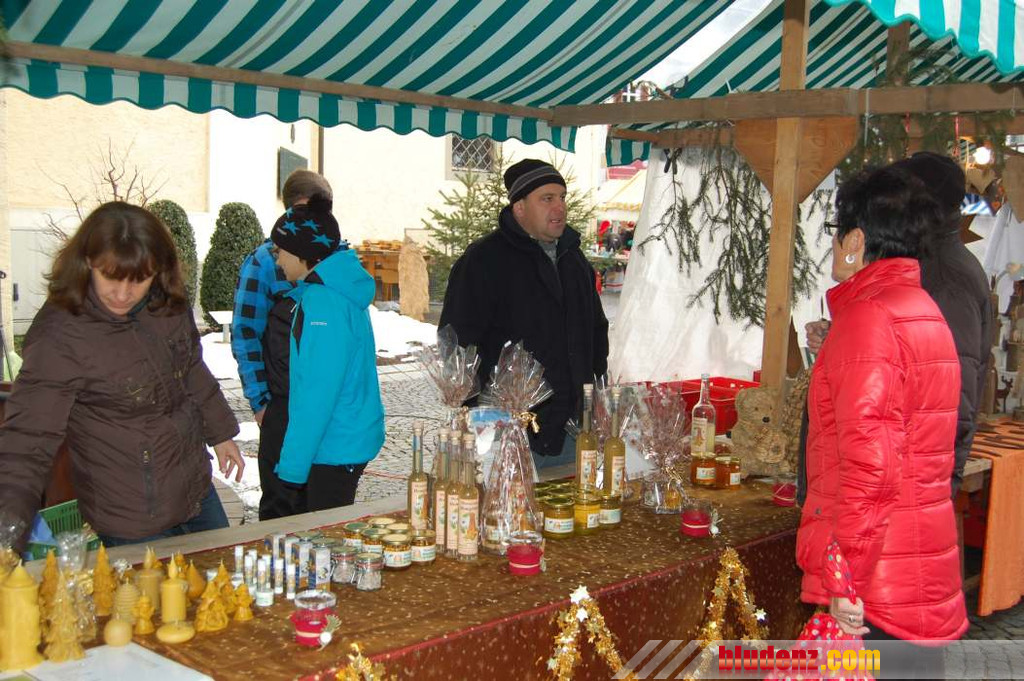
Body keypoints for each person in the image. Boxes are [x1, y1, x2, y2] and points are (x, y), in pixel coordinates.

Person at [797, 165, 967, 677]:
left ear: (855, 241)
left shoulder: (870, 317)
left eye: (836, 232)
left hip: (878, 580)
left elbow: (871, 468)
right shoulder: (920, 307)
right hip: (916, 564)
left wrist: (844, 574)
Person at [0, 202, 244, 547]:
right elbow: (29, 439)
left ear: (157, 271)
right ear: (87, 262)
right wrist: (8, 532)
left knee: (221, 574)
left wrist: (220, 433)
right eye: (110, 276)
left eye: (139, 279)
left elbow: (191, 368)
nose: (123, 294)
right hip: (129, 511)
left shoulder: (166, 303)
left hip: (194, 488)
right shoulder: (60, 334)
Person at [802, 152, 990, 500]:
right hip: (897, 489)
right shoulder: (920, 268)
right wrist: (840, 340)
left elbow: (950, 401)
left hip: (900, 492)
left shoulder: (943, 277)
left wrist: (934, 486)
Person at [440, 159, 609, 465]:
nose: (559, 207)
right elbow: (457, 343)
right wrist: (476, 417)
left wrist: (592, 395)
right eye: (547, 199)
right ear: (519, 207)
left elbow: (597, 330)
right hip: (509, 432)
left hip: (574, 429)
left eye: (562, 197)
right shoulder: (483, 261)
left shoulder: (574, 260)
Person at [259, 195, 384, 515]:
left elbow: (317, 391)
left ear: (302, 252)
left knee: (325, 533)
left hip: (334, 445)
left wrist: (291, 469)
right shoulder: (334, 291)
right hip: (343, 438)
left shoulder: (324, 303)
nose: (277, 261)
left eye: (279, 251)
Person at [231, 170, 333, 428]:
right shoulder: (264, 262)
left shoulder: (337, 258)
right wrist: (261, 404)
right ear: (289, 210)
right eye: (305, 211)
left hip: (332, 405)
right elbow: (245, 332)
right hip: (283, 402)